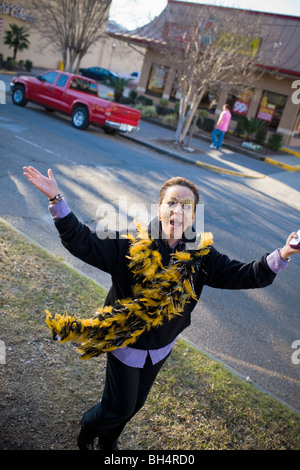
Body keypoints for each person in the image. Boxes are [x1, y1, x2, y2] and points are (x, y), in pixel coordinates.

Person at [23, 165, 299, 451]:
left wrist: (284, 253)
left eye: (186, 205)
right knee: (117, 407)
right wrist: (57, 200)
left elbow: (245, 274)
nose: (178, 210)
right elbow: (83, 242)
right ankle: (88, 428)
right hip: (126, 343)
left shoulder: (202, 256)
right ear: (160, 209)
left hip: (161, 348)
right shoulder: (130, 244)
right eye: (171, 202)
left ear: (193, 216)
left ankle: (108, 441)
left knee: (135, 405)